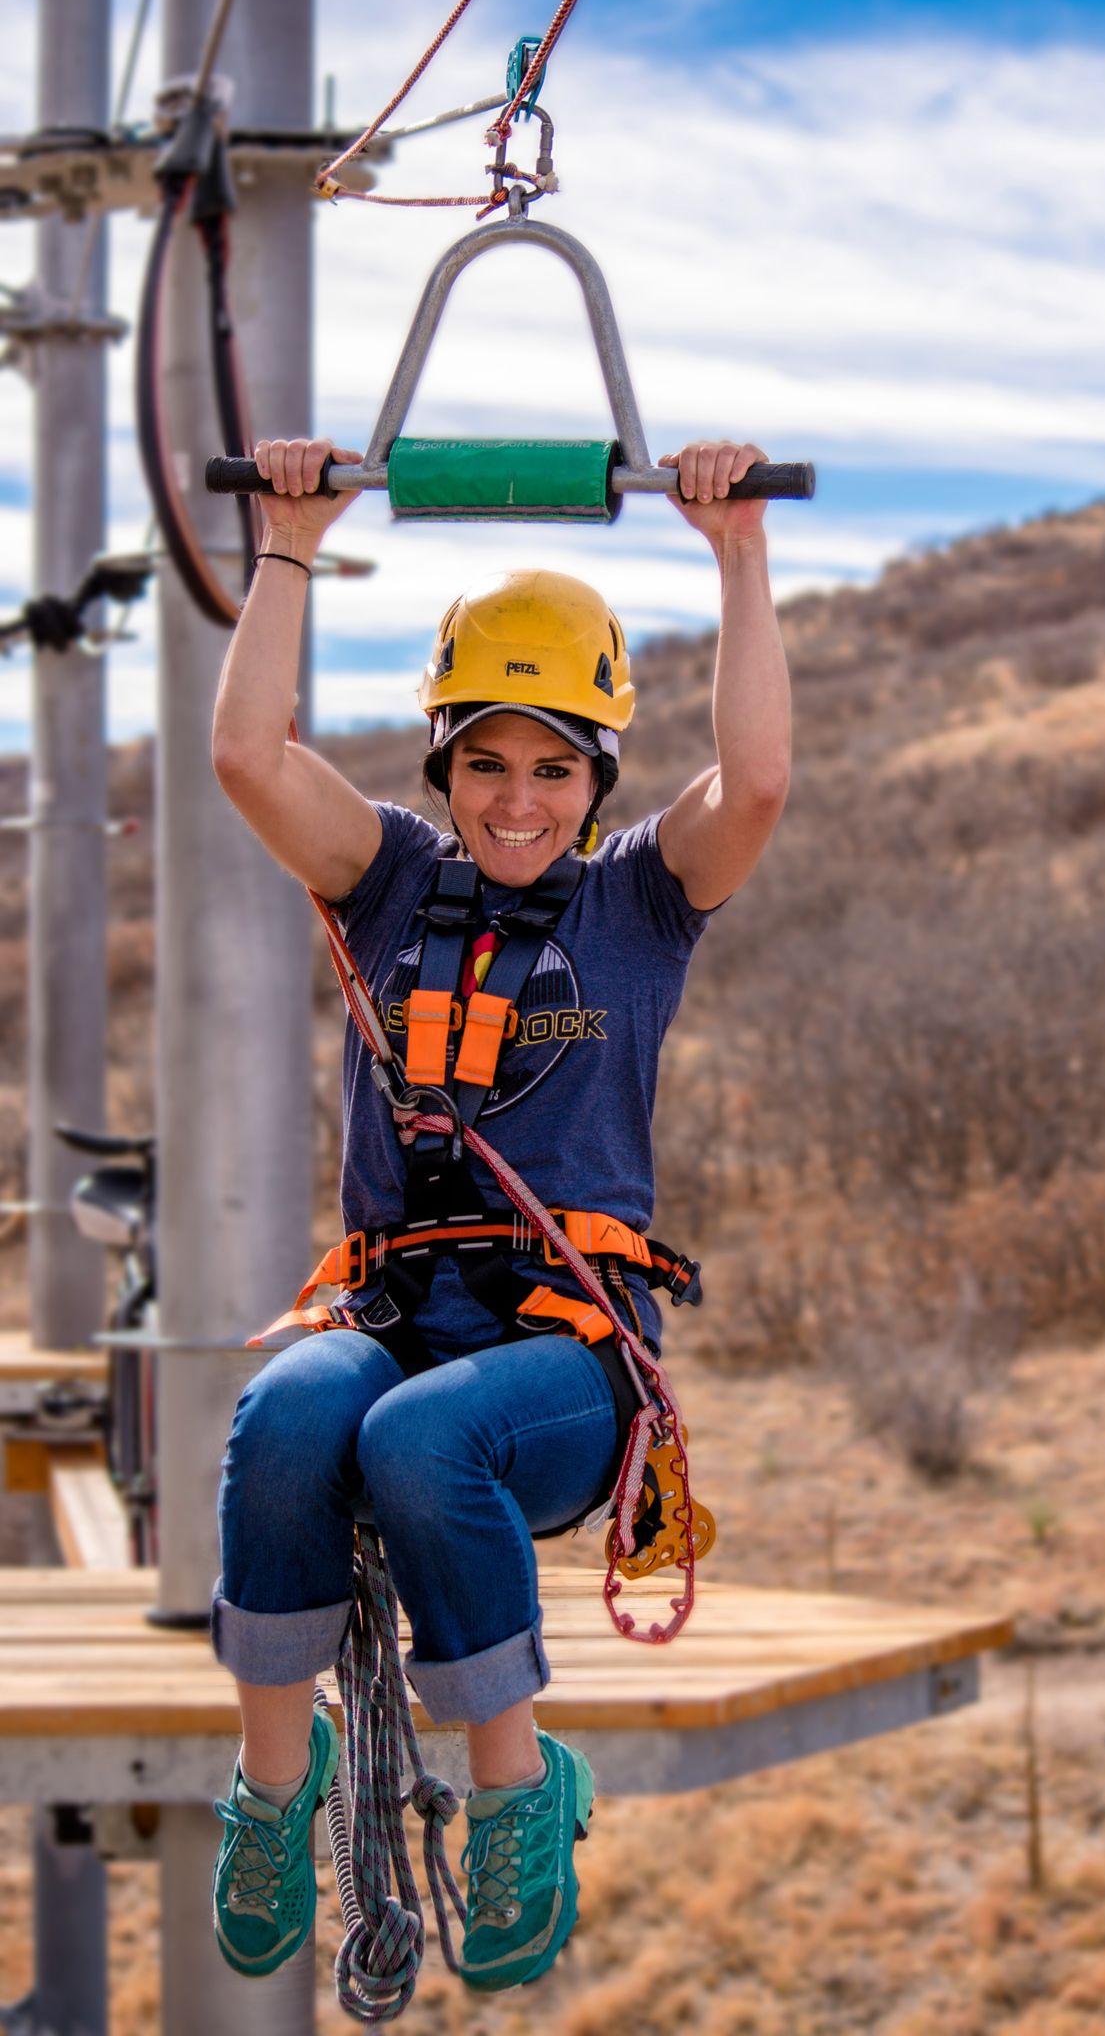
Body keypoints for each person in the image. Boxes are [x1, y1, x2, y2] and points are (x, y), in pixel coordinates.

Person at [206, 434, 790, 1993]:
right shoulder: (389, 883)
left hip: (561, 1362)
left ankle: (514, 1792)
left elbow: (764, 780)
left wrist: (734, 551)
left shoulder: (639, 906)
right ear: (444, 770)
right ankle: (275, 1790)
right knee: (281, 1416)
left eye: (553, 767)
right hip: (394, 1319)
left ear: (598, 777)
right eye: (486, 763)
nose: (518, 799)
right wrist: (288, 544)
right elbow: (251, 759)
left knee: (416, 1442)